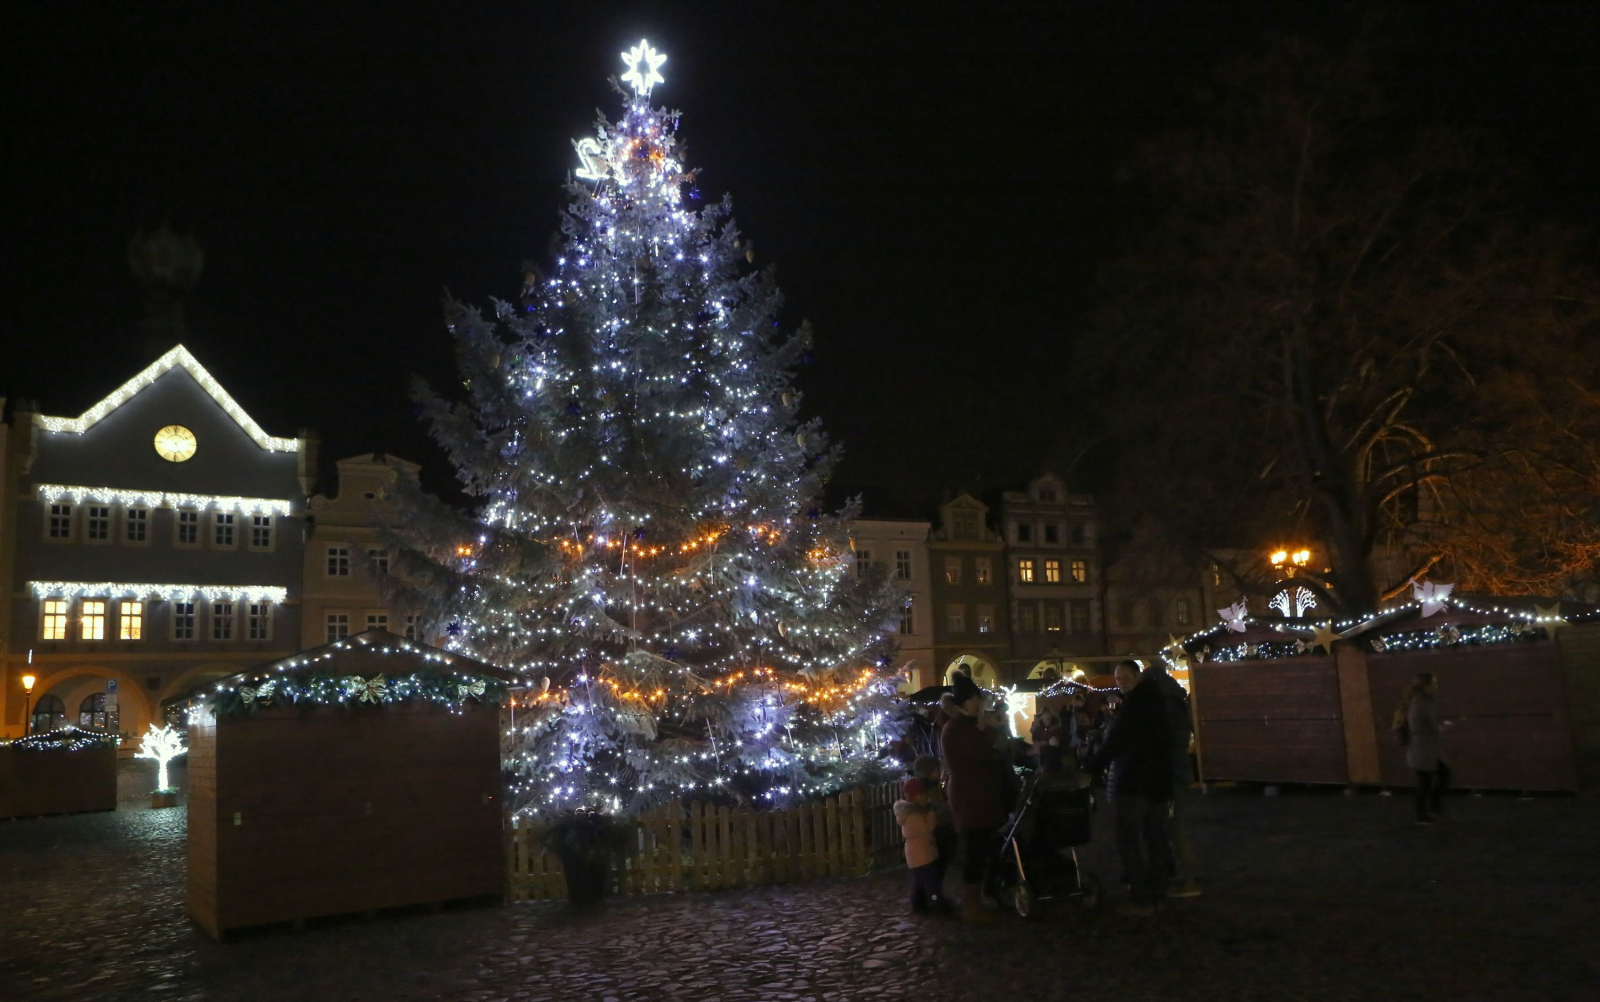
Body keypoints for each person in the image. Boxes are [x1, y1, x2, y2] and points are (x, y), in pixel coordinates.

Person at [1087, 660, 1175, 917]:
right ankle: (1159, 894)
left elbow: (1117, 741)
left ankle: (1141, 899)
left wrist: (1091, 766)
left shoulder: (1134, 706)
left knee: (1128, 841)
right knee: (1156, 839)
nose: (1120, 681)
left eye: (1125, 676)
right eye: (1117, 678)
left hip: (1136, 782)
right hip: (1158, 782)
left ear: (1137, 676)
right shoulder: (1158, 702)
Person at [939, 671, 1008, 924]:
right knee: (974, 851)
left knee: (982, 847)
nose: (977, 702)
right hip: (971, 796)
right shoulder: (958, 727)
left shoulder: (966, 725)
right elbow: (980, 756)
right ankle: (972, 906)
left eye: (977, 697)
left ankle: (978, 900)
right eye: (972, 699)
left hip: (978, 794)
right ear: (961, 703)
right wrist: (992, 736)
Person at [1142, 660, 1200, 898]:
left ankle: (1188, 880)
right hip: (1176, 770)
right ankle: (1179, 875)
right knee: (1171, 826)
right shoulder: (1175, 698)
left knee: (1175, 827)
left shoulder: (1163, 703)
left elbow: (1162, 740)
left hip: (1170, 773)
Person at [1396, 672, 1451, 824]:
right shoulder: (1420, 702)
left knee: (1427, 779)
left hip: (1424, 747)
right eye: (1433, 683)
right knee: (1430, 779)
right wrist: (1438, 729)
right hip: (1422, 746)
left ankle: (1427, 812)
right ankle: (1426, 812)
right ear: (1425, 685)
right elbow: (1417, 724)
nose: (1436, 686)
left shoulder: (1420, 700)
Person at [894, 778, 949, 914]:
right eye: (922, 795)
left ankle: (919, 904)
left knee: (920, 882)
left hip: (920, 853)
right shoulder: (913, 815)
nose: (925, 797)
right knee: (932, 883)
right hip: (921, 854)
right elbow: (927, 828)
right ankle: (936, 903)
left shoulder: (913, 812)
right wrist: (931, 815)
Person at [912, 755, 959, 886]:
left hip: (941, 829)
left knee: (939, 867)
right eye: (937, 769)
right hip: (937, 831)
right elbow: (939, 807)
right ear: (929, 771)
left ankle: (934, 897)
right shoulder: (927, 790)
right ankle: (933, 899)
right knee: (937, 867)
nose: (940, 772)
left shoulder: (933, 787)